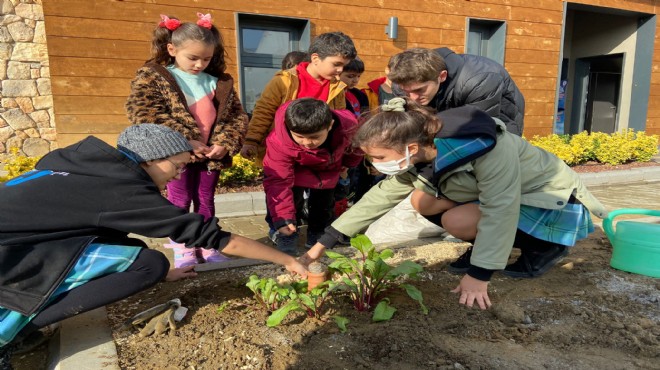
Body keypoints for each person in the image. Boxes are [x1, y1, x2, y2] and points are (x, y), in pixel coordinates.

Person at [0, 124, 307, 368]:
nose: (179, 174)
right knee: (150, 264)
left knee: (126, 246)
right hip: (10, 256)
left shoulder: (84, 168)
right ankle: (11, 334)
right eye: (178, 165)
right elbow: (212, 237)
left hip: (18, 242)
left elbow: (97, 228)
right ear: (151, 160)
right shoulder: (118, 190)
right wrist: (287, 260)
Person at [303, 97, 607, 310]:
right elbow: (378, 198)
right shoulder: (420, 156)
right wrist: (322, 243)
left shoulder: (486, 149)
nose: (374, 164)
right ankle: (488, 248)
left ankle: (544, 247)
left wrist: (479, 275)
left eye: (379, 157)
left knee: (457, 221)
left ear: (409, 147)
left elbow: (500, 208)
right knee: (423, 201)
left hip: (547, 199)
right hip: (504, 197)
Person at [125, 13, 248, 268]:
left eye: (206, 58)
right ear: (172, 49)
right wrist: (185, 142)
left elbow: (236, 117)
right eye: (193, 58)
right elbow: (147, 113)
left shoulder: (219, 82)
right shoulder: (154, 76)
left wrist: (224, 142)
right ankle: (183, 247)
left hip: (210, 155)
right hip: (175, 156)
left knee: (205, 198)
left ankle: (207, 243)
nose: (199, 64)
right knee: (179, 200)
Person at [239, 31, 357, 163]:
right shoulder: (284, 81)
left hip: (317, 156)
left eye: (343, 66)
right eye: (336, 64)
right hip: (282, 154)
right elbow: (264, 112)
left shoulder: (337, 88)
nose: (340, 70)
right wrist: (252, 141)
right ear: (315, 59)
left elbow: (340, 123)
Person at [263, 98, 362, 255]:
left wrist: (347, 165)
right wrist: (283, 219)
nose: (307, 143)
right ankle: (286, 232)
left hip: (328, 167)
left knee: (324, 202)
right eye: (299, 136)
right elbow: (279, 182)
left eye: (314, 137)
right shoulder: (278, 142)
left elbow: (356, 147)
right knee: (290, 202)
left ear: (329, 126)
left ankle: (318, 233)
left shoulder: (348, 126)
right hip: (295, 169)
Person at [388, 47, 526, 136]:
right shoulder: (401, 83)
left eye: (420, 90)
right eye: (406, 91)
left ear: (441, 76)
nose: (413, 98)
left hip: (500, 120)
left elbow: (479, 128)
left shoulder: (479, 79)